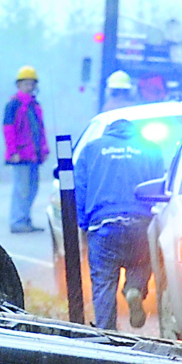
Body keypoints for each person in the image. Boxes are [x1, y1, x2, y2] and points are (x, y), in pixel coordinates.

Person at [75, 116, 165, 331]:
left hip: (103, 225)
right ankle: (134, 288)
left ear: (108, 131)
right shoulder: (150, 148)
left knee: (103, 283)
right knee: (141, 262)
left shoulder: (92, 149)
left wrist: (83, 223)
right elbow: (159, 187)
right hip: (139, 222)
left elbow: (79, 188)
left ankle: (107, 334)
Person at [3, 65, 49, 233]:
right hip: (20, 155)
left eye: (32, 84)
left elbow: (40, 129)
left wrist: (44, 149)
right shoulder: (13, 105)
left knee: (32, 188)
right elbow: (8, 129)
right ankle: (17, 221)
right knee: (21, 189)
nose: (30, 87)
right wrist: (12, 151)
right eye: (26, 84)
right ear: (19, 85)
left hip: (33, 155)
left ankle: (25, 219)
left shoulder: (35, 105)